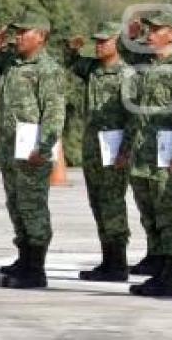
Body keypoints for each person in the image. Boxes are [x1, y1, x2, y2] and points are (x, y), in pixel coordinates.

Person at [0, 11, 65, 289]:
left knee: (33, 207)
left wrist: (44, 148)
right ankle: (25, 258)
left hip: (33, 150)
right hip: (10, 149)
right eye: (16, 32)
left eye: (23, 32)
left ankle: (36, 268)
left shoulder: (48, 69)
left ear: (40, 36)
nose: (17, 37)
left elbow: (54, 114)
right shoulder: (10, 63)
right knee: (16, 205)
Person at [128, 12, 172, 298]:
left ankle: (168, 277)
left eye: (156, 30)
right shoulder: (150, 69)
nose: (150, 35)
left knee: (170, 218)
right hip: (144, 157)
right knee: (152, 217)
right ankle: (158, 272)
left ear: (171, 34)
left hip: (167, 159)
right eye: (149, 30)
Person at [67, 22, 137, 282]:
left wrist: (125, 150)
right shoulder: (94, 70)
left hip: (115, 147)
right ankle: (107, 261)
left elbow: (133, 117)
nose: (99, 46)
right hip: (94, 147)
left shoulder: (127, 75)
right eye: (96, 41)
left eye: (104, 41)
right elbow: (73, 64)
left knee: (113, 205)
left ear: (117, 42)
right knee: (97, 203)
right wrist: (71, 48)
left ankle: (118, 263)